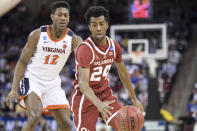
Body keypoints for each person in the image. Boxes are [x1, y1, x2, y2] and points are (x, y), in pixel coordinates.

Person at [6, 1, 82, 131]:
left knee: (67, 125)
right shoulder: (37, 34)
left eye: (66, 15)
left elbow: (84, 57)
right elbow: (22, 61)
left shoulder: (74, 39)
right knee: (34, 116)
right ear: (52, 16)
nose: (63, 18)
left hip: (53, 84)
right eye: (59, 15)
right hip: (32, 79)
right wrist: (14, 89)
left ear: (69, 18)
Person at [70, 6, 144, 131]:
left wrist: (134, 98)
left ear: (107, 25)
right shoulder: (85, 49)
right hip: (85, 98)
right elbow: (83, 84)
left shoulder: (114, 46)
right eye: (94, 25)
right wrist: (99, 105)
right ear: (89, 27)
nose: (98, 28)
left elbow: (124, 73)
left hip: (105, 95)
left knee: (127, 126)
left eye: (101, 24)